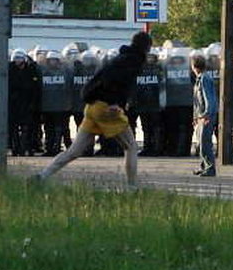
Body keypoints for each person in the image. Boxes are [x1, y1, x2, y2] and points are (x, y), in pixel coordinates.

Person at [35, 31, 152, 187]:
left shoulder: (118, 58)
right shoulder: (132, 61)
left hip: (92, 107)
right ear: (146, 47)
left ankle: (42, 176)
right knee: (131, 146)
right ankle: (132, 187)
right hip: (107, 108)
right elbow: (118, 84)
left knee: (74, 152)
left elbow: (102, 79)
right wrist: (116, 103)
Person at [191, 54, 218, 177]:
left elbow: (209, 98)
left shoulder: (204, 79)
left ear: (194, 66)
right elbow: (197, 101)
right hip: (201, 116)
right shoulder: (200, 79)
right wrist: (196, 117)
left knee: (205, 143)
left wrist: (207, 114)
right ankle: (204, 166)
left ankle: (210, 168)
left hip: (206, 115)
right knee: (200, 143)